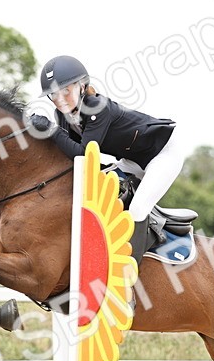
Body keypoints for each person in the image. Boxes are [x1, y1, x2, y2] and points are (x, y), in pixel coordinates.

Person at [28, 55, 185, 260]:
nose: (60, 99)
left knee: (137, 208)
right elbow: (76, 162)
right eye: (54, 95)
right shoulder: (63, 116)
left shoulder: (97, 107)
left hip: (162, 153)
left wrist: (51, 130)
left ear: (82, 86)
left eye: (66, 91)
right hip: (130, 161)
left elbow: (84, 153)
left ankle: (131, 268)